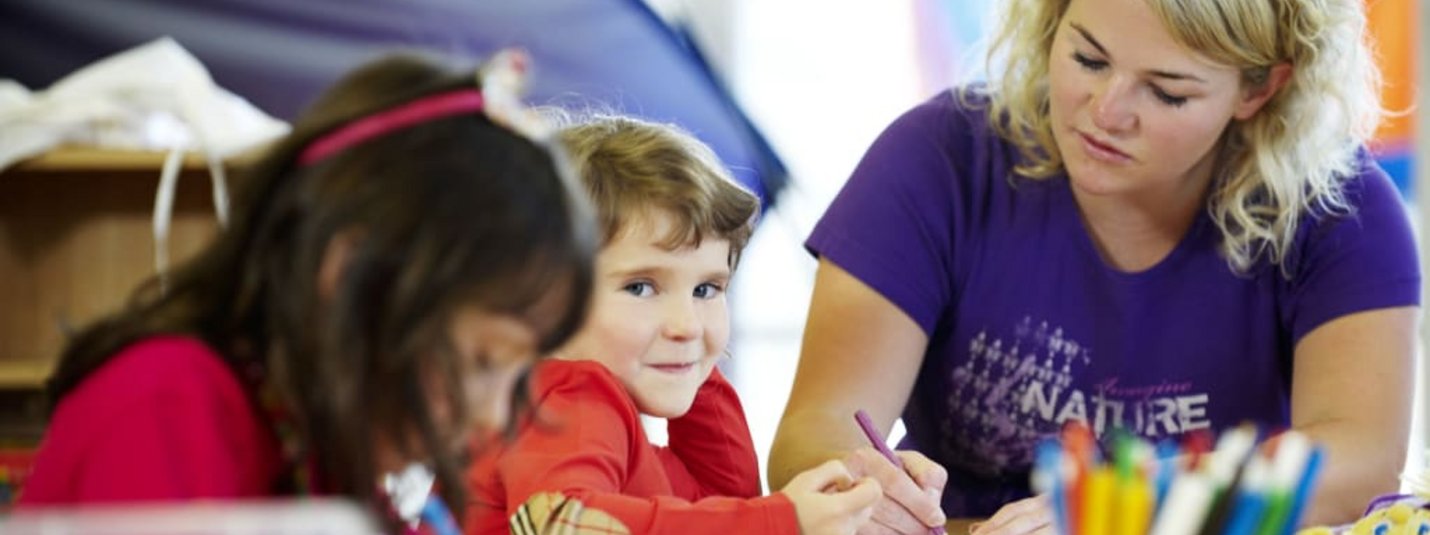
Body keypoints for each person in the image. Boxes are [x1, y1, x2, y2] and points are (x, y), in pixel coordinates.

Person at [768, 0, 1420, 532]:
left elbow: (1359, 466)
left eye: (1167, 93)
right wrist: (862, 490)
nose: (1105, 112)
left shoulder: (1342, 209)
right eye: (1087, 58)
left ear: (1259, 88)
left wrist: (1119, 508)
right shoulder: (938, 159)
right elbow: (815, 432)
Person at [18, 52, 599, 533]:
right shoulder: (167, 401)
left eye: (519, 375)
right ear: (351, 274)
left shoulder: (320, 448)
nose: (493, 414)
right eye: (481, 361)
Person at [464, 114, 882, 534]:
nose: (687, 325)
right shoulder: (567, 394)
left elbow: (726, 500)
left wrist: (699, 374)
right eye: (642, 288)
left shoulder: (616, 436)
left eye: (706, 290)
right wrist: (779, 521)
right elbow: (560, 524)